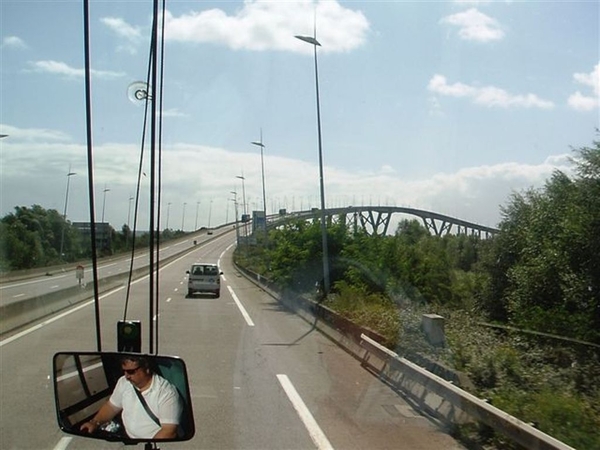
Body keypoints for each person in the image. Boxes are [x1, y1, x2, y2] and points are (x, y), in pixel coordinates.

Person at [80, 355, 183, 440]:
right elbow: (111, 407)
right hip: (128, 439)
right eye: (124, 371)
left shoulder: (166, 393)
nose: (127, 376)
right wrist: (94, 422)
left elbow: (169, 431)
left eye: (131, 372)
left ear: (146, 369)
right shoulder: (124, 383)